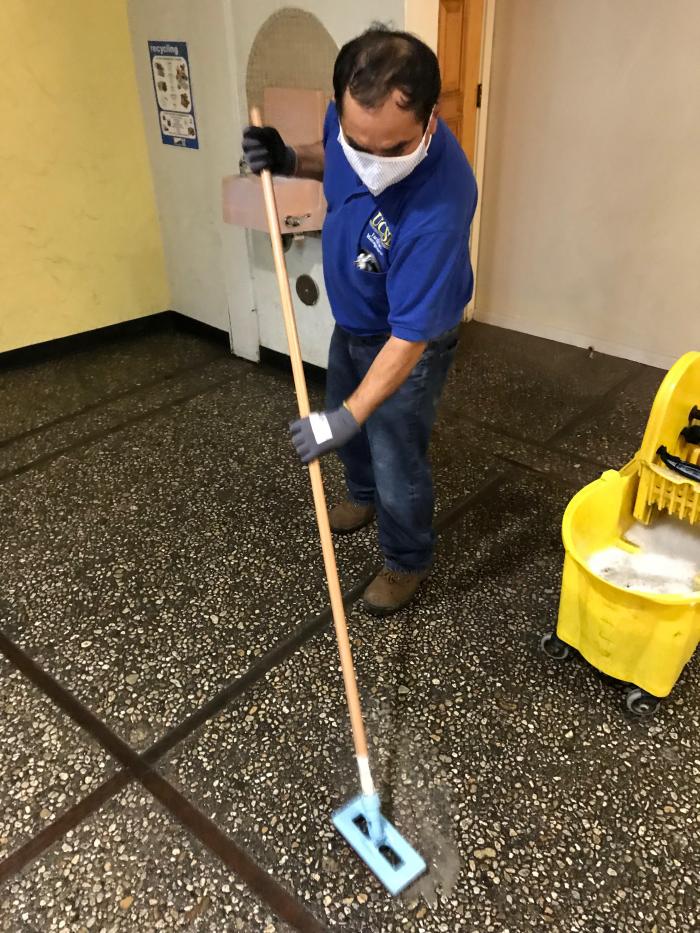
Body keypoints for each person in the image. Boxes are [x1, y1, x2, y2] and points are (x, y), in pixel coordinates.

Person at [242, 26, 477, 615]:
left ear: (429, 120)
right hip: (355, 319)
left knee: (395, 448)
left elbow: (411, 337)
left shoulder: (440, 205)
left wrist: (345, 418)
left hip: (408, 341)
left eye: (393, 148)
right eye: (358, 140)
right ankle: (362, 494)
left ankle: (405, 559)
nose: (373, 160)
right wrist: (291, 158)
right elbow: (335, 155)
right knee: (350, 410)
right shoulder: (352, 121)